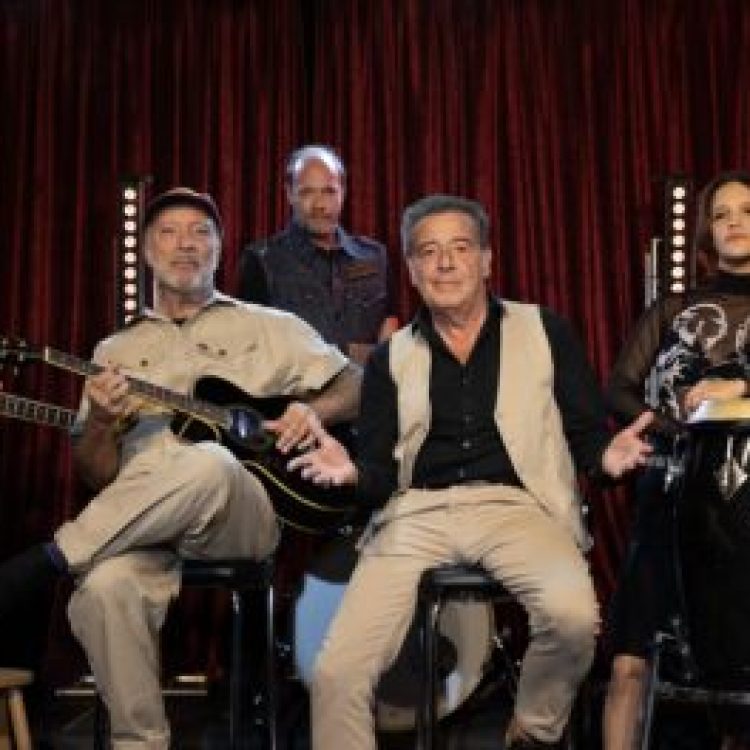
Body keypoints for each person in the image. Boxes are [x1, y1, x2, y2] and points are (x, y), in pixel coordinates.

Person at [288, 194, 654, 750]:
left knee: (573, 620)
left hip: (518, 507)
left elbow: (586, 437)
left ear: (485, 261)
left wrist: (608, 458)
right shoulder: (390, 358)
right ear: (412, 270)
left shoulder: (545, 330)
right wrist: (353, 474)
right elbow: (381, 474)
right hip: (415, 513)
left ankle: (533, 729)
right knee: (337, 670)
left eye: (460, 248)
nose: (445, 263)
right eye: (428, 252)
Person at [0, 187, 361, 749]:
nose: (186, 244)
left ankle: (46, 562)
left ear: (220, 247)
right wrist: (101, 422)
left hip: (240, 513)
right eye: (169, 232)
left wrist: (312, 411)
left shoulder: (271, 327)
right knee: (103, 590)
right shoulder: (113, 351)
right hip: (140, 524)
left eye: (200, 232)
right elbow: (98, 475)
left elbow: (356, 384)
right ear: (146, 250)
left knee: (208, 460)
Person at [603, 171, 750, 750]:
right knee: (629, 660)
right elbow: (619, 389)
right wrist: (681, 429)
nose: (735, 222)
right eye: (722, 213)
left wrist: (735, 395)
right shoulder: (673, 309)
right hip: (671, 491)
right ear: (708, 231)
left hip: (747, 508)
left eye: (747, 210)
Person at [239, 144, 398, 366]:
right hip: (296, 387)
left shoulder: (375, 257)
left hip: (368, 385)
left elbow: (389, 325)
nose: (320, 205)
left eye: (329, 191)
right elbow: (253, 347)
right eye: (307, 192)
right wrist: (350, 353)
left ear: (343, 192)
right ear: (289, 193)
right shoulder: (261, 261)